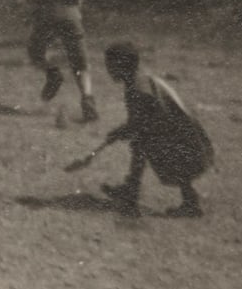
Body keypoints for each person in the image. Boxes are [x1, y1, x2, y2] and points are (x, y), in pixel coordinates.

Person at [70, 41, 215, 217]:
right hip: (179, 130)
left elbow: (145, 120)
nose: (108, 71)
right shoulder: (139, 80)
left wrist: (122, 131)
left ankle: (187, 204)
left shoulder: (138, 89)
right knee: (140, 143)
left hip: (181, 135)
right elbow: (143, 120)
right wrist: (123, 131)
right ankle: (132, 189)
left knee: (144, 144)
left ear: (122, 66)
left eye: (111, 66)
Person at [16, 0, 97, 126]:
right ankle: (87, 98)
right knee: (80, 60)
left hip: (47, 14)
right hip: (71, 15)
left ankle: (52, 73)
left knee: (36, 51)